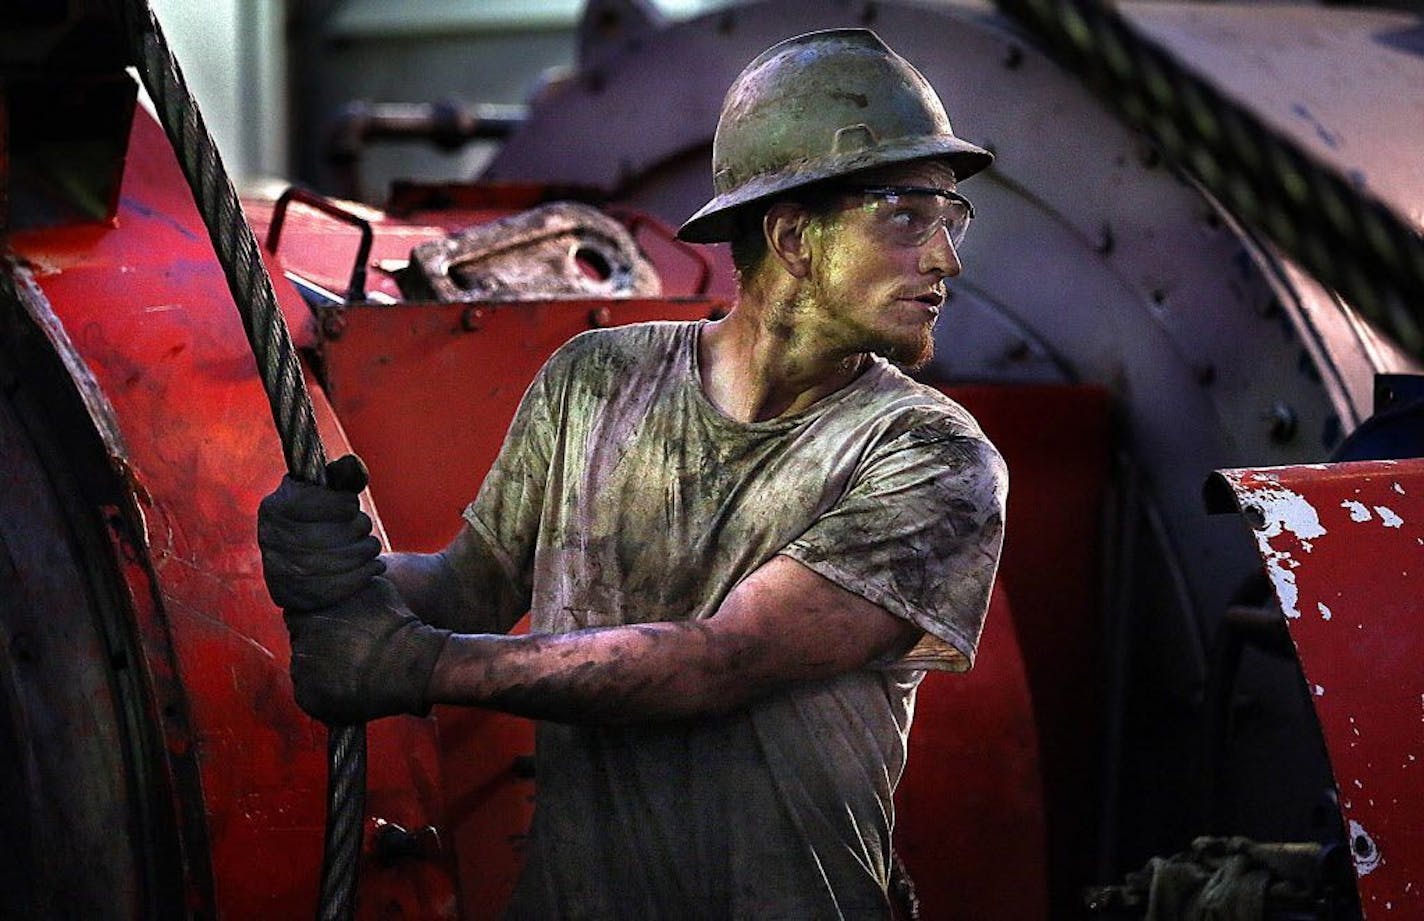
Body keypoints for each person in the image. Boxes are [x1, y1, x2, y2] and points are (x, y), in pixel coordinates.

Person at [258, 28, 1008, 919]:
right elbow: (467, 589)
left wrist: (413, 664)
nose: (946, 260)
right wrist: (343, 578)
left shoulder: (932, 457)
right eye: (907, 218)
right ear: (795, 237)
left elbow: (719, 661)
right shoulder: (595, 379)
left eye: (950, 218)